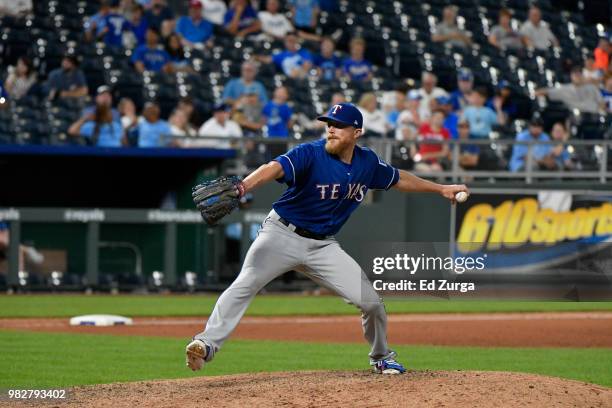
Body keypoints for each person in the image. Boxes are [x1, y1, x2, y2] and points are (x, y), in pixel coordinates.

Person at [185, 102, 469, 374]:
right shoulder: (310, 153)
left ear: (356, 132)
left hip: (323, 245)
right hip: (281, 234)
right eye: (329, 124)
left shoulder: (366, 162)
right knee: (245, 284)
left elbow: (399, 179)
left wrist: (440, 188)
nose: (331, 130)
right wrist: (244, 186)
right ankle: (206, 343)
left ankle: (382, 358)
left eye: (339, 126)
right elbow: (275, 167)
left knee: (371, 302)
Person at [536, 67, 605, 114]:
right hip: (576, 116)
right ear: (571, 76)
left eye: (579, 74)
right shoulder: (564, 88)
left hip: (594, 115)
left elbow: (602, 103)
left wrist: (601, 111)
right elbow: (547, 91)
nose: (577, 76)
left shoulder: (592, 87)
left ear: (583, 75)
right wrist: (536, 93)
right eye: (575, 74)